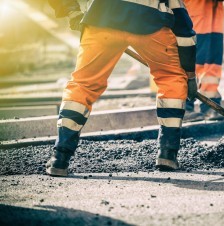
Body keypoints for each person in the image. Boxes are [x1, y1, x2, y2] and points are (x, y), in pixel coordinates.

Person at [46, 0, 198, 176]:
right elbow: (183, 26)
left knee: (83, 84)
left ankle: (60, 157)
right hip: (150, 22)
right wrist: (189, 74)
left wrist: (70, 10)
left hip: (102, 17)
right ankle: (167, 154)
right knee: (171, 78)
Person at [183, 0, 224, 121]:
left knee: (213, 58)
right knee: (192, 54)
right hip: (194, 6)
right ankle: (184, 106)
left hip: (214, 6)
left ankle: (210, 103)